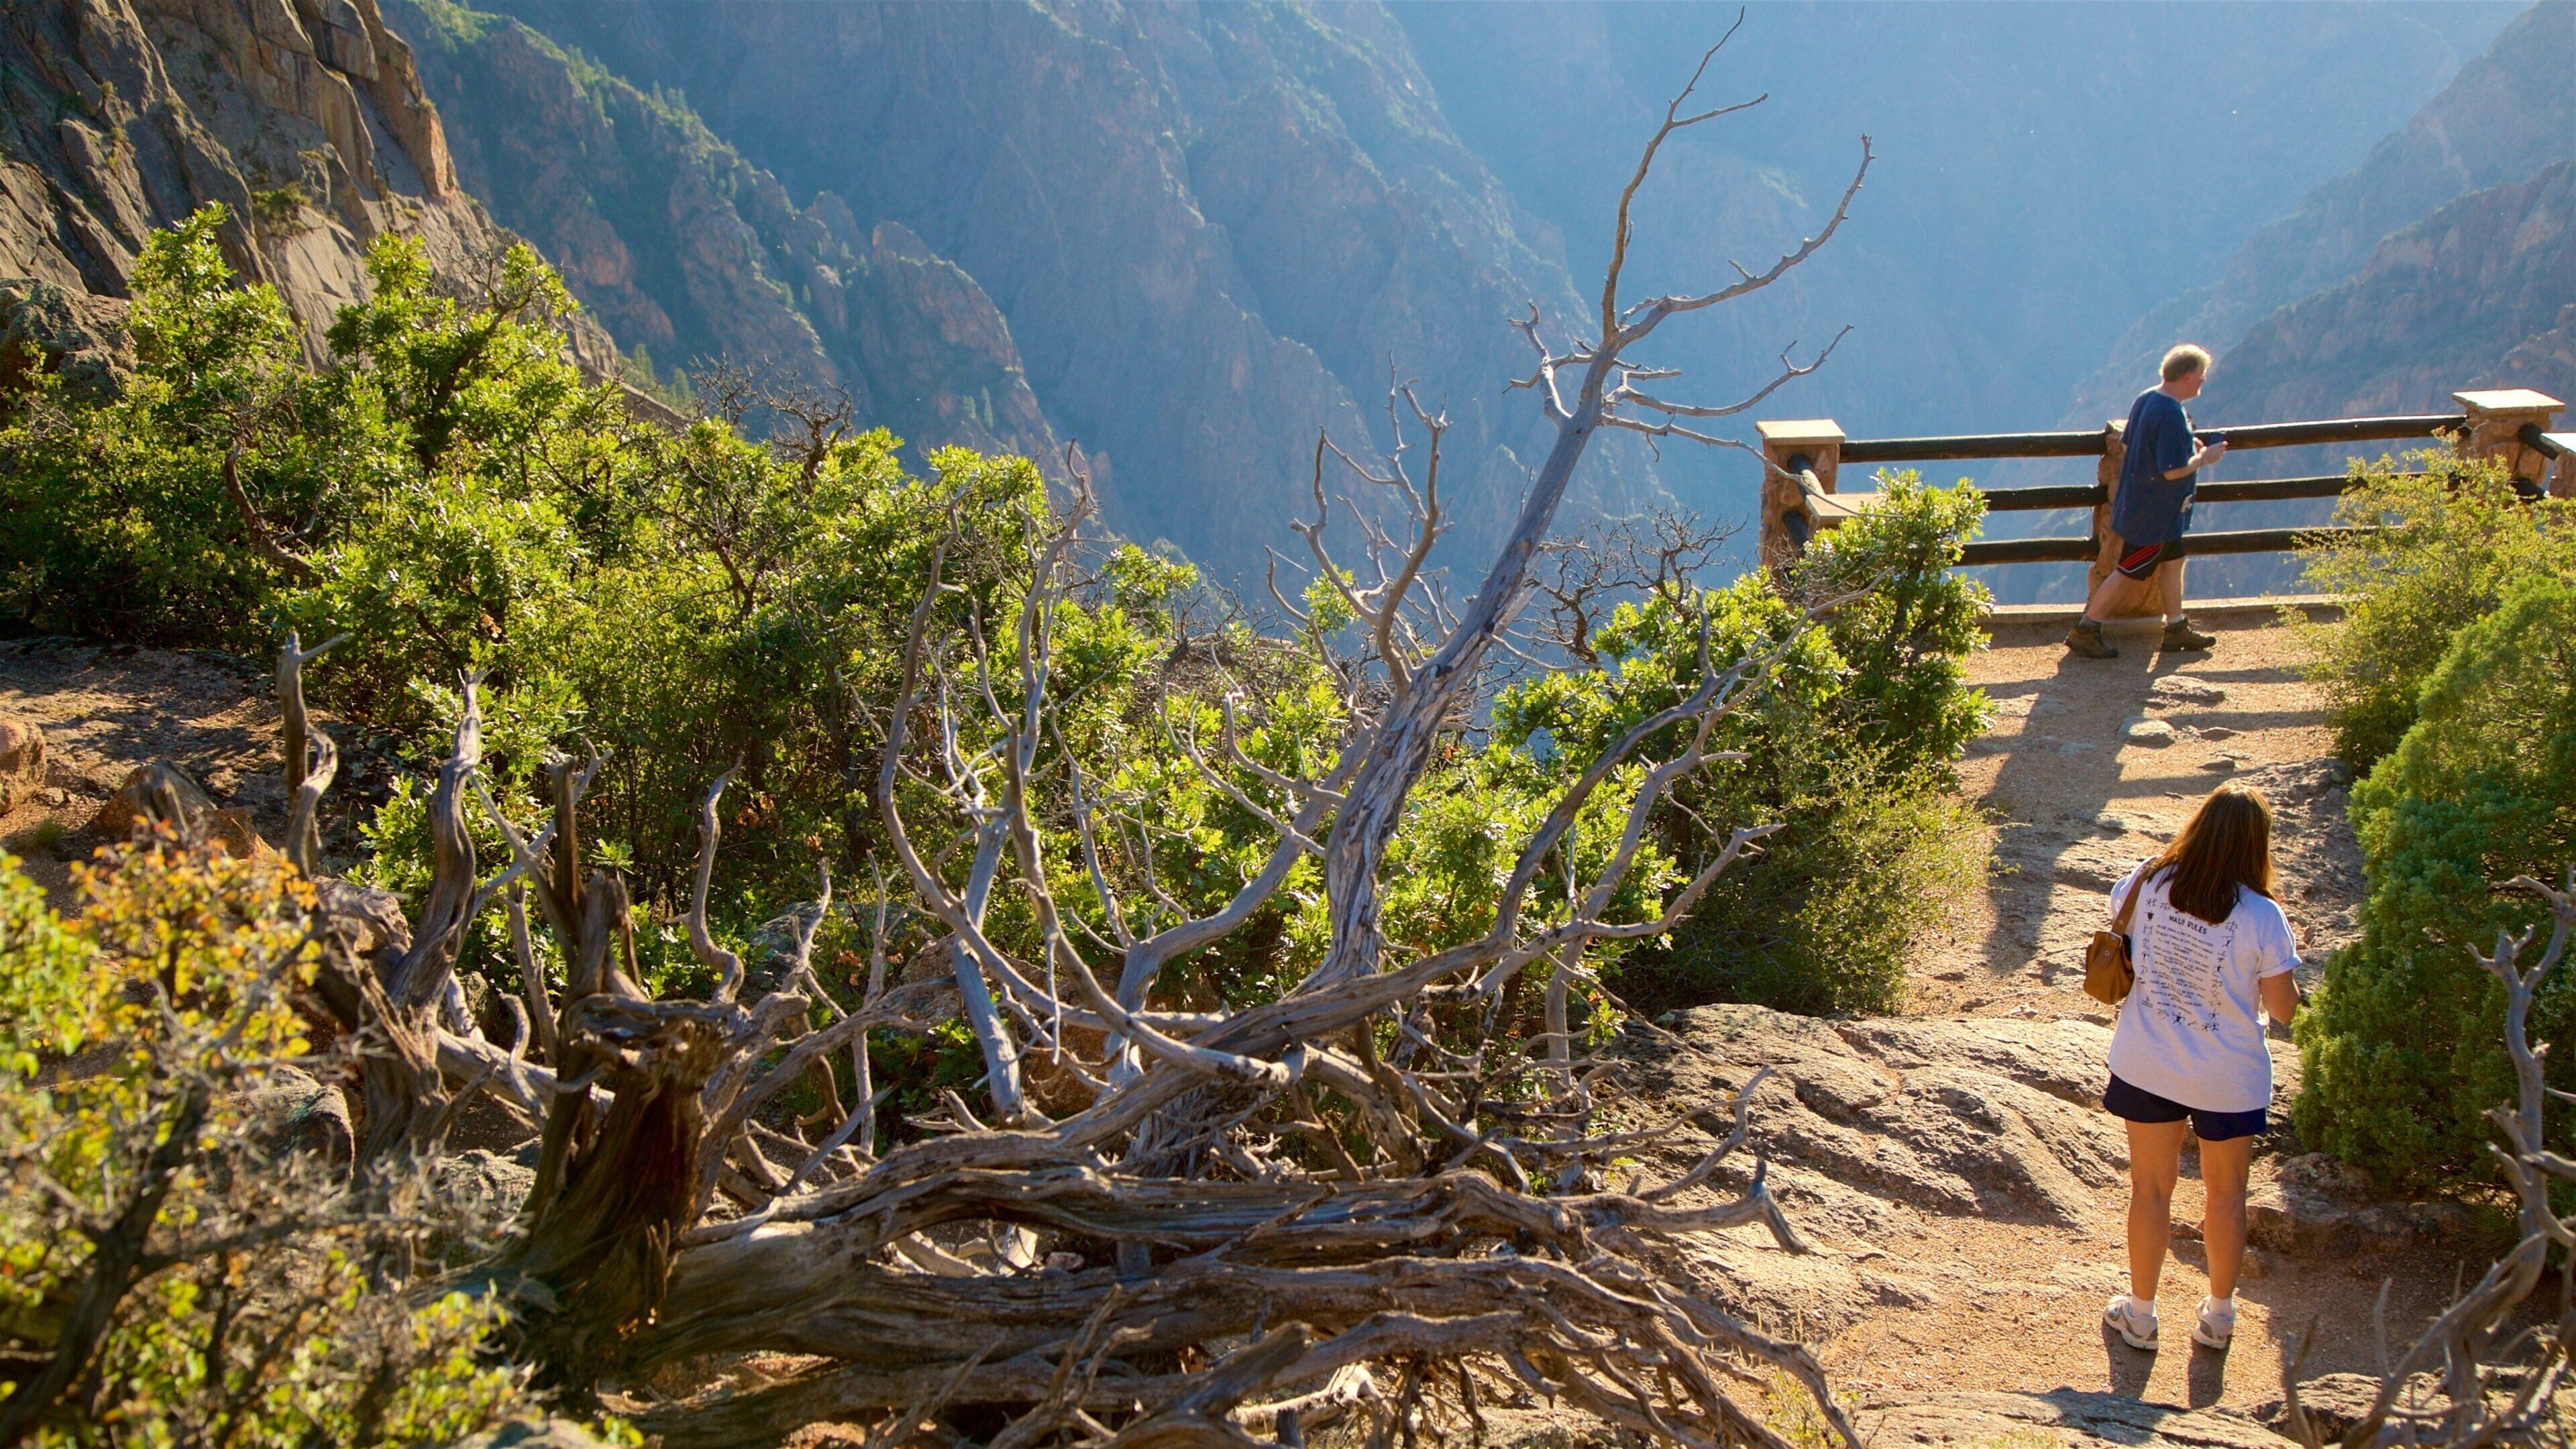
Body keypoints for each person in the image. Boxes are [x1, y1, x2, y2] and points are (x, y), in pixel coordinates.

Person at [2096, 783, 2300, 1355]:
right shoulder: (2264, 916)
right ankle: (2218, 1318)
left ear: (2199, 825)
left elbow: (2124, 939)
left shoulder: (2147, 881)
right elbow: (2283, 1009)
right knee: (2227, 1193)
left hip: (2148, 1061)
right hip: (2228, 1075)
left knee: (2151, 1189)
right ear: (2257, 844)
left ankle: (2140, 1316)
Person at [2066, 345, 2227, 659]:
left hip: (2146, 506)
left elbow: (2133, 443)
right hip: (2154, 513)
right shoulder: (2170, 413)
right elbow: (2171, 471)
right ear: (2187, 376)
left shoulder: (2148, 399)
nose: (2202, 383)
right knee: (2129, 570)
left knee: (2173, 561)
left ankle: (2176, 628)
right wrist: (2203, 458)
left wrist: (2185, 443)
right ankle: (2085, 630)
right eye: (2201, 377)